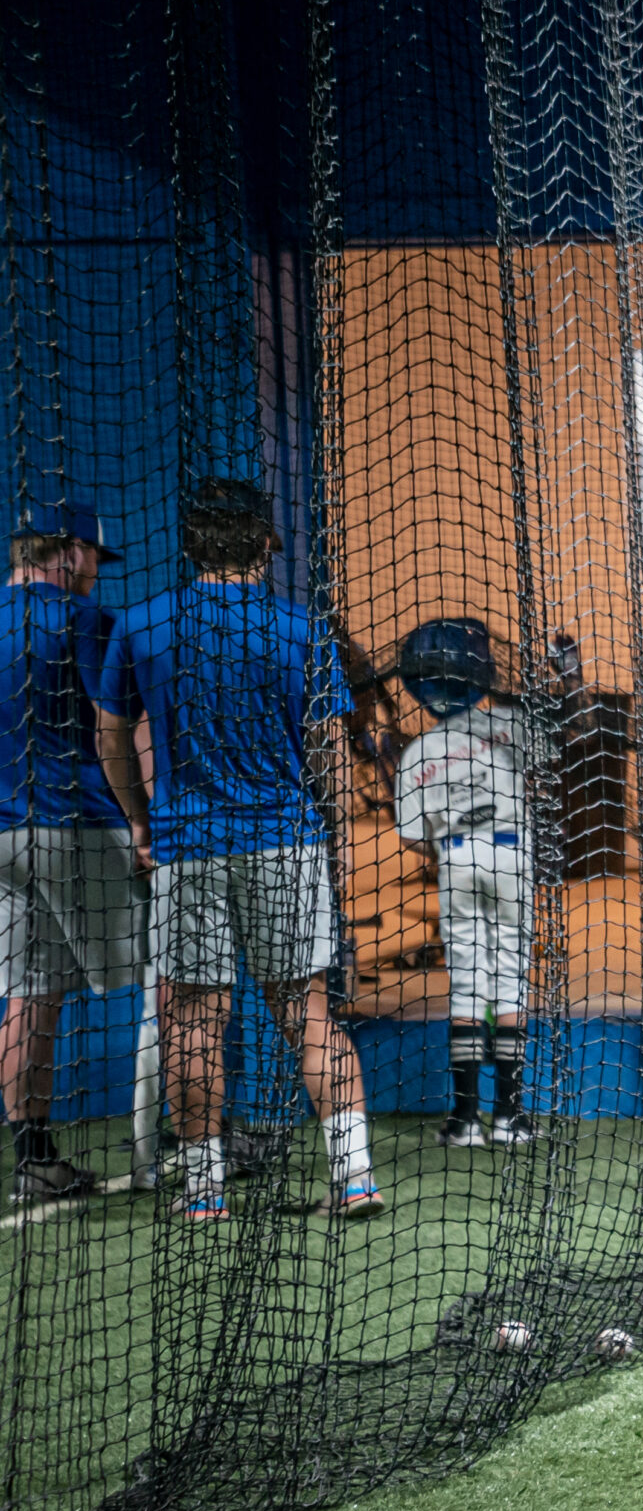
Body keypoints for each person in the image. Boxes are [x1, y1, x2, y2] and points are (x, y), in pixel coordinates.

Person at [97, 477, 382, 1222]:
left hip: (188, 846)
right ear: (263, 544)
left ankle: (202, 1193)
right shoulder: (300, 630)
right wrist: (326, 819)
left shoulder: (143, 625)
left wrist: (140, 821)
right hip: (285, 840)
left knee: (193, 1018)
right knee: (308, 1013)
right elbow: (325, 746)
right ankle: (353, 1179)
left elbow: (112, 734)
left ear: (190, 545)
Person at [0, 501, 148, 1202]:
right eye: (92, 558)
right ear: (70, 552)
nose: (94, 572)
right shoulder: (84, 620)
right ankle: (191, 1138)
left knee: (30, 996)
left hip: (5, 838)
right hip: (78, 825)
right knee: (178, 975)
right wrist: (142, 823)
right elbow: (115, 727)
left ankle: (35, 1160)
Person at [393, 618, 536, 1147]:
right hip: (511, 856)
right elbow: (548, 753)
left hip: (455, 861)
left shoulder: (416, 753)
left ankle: (463, 1120)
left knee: (468, 988)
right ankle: (509, 1117)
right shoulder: (513, 725)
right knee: (509, 984)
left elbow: (412, 838)